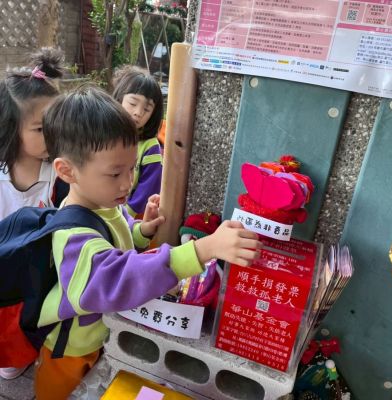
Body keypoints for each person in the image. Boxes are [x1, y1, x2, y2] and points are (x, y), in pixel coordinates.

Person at [36, 85, 261, 399]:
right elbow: (116, 277)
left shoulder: (104, 205)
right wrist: (203, 249)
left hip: (99, 334)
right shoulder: (73, 235)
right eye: (115, 173)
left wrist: (141, 231)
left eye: (131, 169)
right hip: (69, 348)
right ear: (66, 171)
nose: (128, 183)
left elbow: (118, 239)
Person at [0, 47, 65, 380]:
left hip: (40, 272)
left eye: (56, 125)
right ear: (12, 128)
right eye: (40, 129)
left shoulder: (58, 173)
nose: (52, 135)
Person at [113, 66, 163, 218]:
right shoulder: (104, 135)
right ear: (119, 99)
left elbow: (149, 186)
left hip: (129, 218)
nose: (138, 113)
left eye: (146, 109)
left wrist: (126, 216)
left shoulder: (150, 146)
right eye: (133, 104)